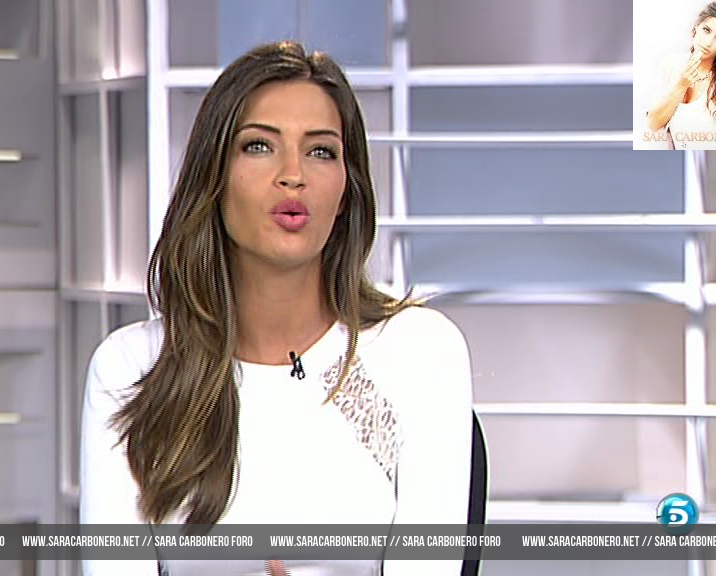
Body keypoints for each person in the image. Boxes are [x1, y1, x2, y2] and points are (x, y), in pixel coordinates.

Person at [80, 41, 474, 576]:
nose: (293, 174)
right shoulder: (131, 366)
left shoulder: (419, 350)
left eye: (321, 151)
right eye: (259, 146)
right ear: (214, 177)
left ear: (346, 191)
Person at [645, 1, 716, 150]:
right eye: (706, 30)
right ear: (696, 26)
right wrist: (681, 85)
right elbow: (653, 123)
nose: (708, 42)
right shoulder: (670, 66)